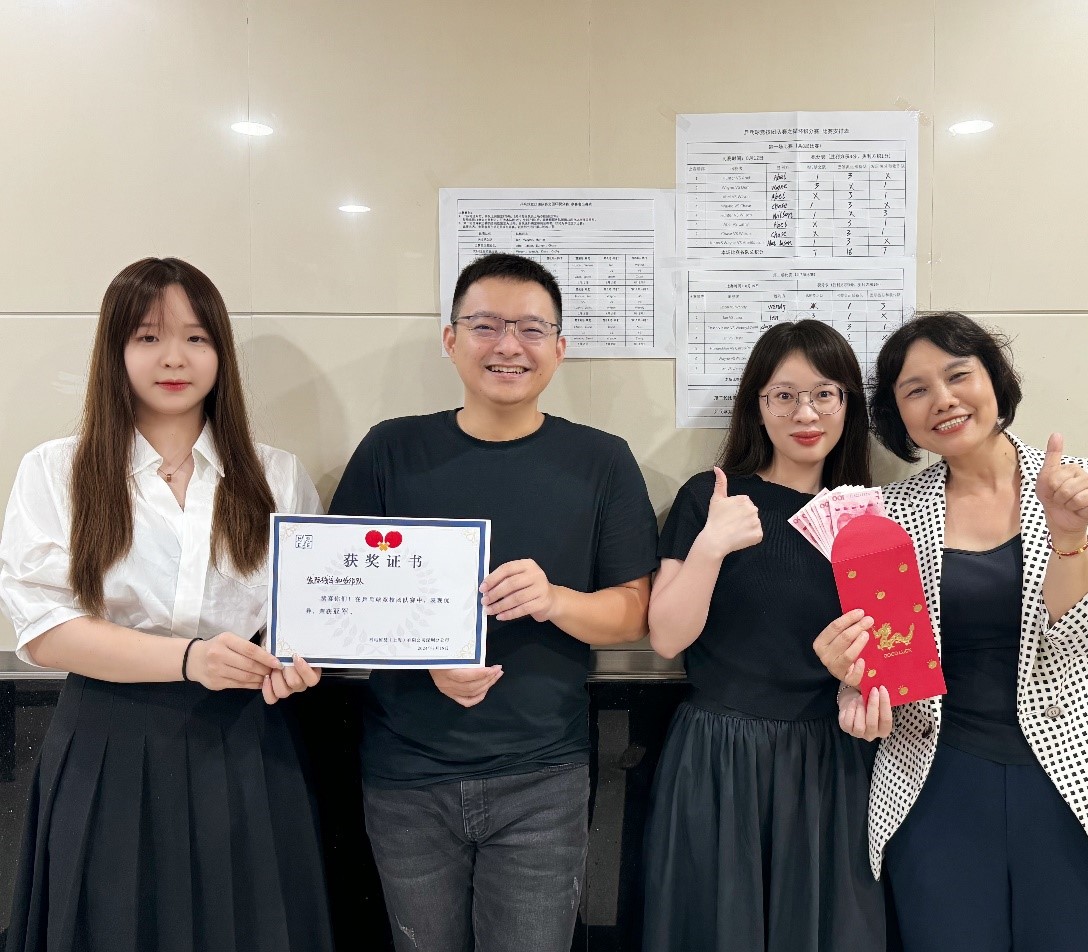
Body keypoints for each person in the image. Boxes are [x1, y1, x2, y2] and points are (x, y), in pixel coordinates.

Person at [821, 312, 1088, 952]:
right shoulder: (889, 515)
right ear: (899, 417)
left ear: (994, 380)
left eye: (958, 374)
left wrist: (1067, 535)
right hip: (935, 784)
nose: (942, 399)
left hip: (1082, 783)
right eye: (915, 390)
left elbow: (1079, 635)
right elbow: (894, 662)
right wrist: (854, 682)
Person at [0, 257, 333, 952]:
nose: (173, 357)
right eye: (148, 337)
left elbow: (307, 617)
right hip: (106, 740)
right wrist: (188, 659)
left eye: (196, 337)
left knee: (249, 928)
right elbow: (43, 627)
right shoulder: (55, 469)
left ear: (221, 353)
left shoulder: (276, 475)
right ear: (114, 350)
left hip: (246, 742)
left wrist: (297, 663)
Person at [329, 253, 658, 952]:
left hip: (543, 775)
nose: (508, 345)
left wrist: (556, 599)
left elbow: (635, 611)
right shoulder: (392, 450)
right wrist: (427, 664)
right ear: (450, 341)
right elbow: (337, 602)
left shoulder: (601, 461)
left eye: (531, 329)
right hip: (405, 773)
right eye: (485, 326)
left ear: (559, 349)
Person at [642, 320, 886, 952]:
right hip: (720, 754)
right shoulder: (711, 497)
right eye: (784, 394)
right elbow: (667, 638)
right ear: (758, 405)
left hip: (832, 759)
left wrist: (865, 686)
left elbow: (891, 655)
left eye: (825, 393)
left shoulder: (870, 516)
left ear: (847, 406)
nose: (805, 412)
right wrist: (712, 545)